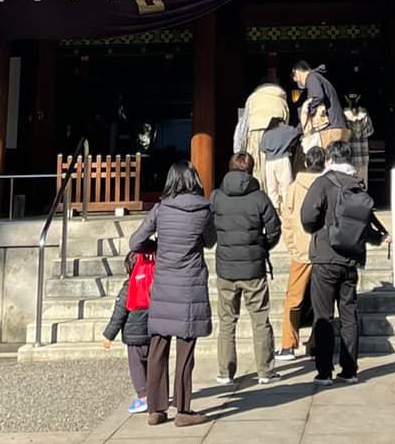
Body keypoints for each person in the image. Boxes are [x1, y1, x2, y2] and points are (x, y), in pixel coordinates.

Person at [129, 159, 215, 426]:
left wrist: (156, 246)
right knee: (185, 351)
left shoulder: (161, 209)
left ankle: (156, 409)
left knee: (158, 346)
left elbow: (135, 242)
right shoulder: (203, 209)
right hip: (189, 285)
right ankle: (183, 410)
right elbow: (210, 241)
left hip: (164, 284)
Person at [300, 139, 386, 382]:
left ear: (329, 159)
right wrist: (379, 238)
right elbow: (362, 223)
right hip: (351, 257)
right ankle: (349, 370)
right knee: (349, 315)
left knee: (324, 316)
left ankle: (324, 372)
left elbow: (307, 218)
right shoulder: (358, 185)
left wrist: (319, 230)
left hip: (326, 256)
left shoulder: (323, 183)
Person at [205, 150, 281, 388]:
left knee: (227, 322)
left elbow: (208, 228)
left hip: (226, 267)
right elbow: (275, 228)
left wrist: (218, 241)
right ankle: (265, 370)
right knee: (260, 320)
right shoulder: (259, 198)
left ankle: (225, 371)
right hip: (253, 268)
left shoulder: (216, 197)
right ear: (250, 169)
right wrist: (262, 246)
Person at [274, 141, 324, 363]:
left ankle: (288, 344)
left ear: (305, 163)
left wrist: (291, 245)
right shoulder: (327, 185)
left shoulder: (294, 187)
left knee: (293, 299)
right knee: (321, 300)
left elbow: (287, 219)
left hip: (301, 251)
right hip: (323, 251)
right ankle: (316, 343)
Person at [101, 243, 153, 415]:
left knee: (137, 367)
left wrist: (108, 335)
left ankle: (143, 396)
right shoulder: (152, 284)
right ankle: (157, 392)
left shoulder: (128, 288)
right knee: (155, 364)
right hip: (152, 334)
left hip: (133, 337)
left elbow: (118, 315)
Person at [243, 63, 290, 176]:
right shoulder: (281, 100)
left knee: (257, 171)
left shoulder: (253, 98)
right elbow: (286, 122)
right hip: (276, 137)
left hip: (255, 136)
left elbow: (245, 123)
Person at [292, 57, 345, 150]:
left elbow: (317, 96)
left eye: (294, 76)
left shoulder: (311, 77)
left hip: (331, 129)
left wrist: (307, 114)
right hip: (337, 126)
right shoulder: (317, 77)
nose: (295, 80)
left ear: (297, 72)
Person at [343, 88, 374, 187]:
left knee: (349, 186)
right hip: (363, 156)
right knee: (362, 185)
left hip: (349, 157)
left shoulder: (343, 117)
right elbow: (370, 131)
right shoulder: (365, 116)